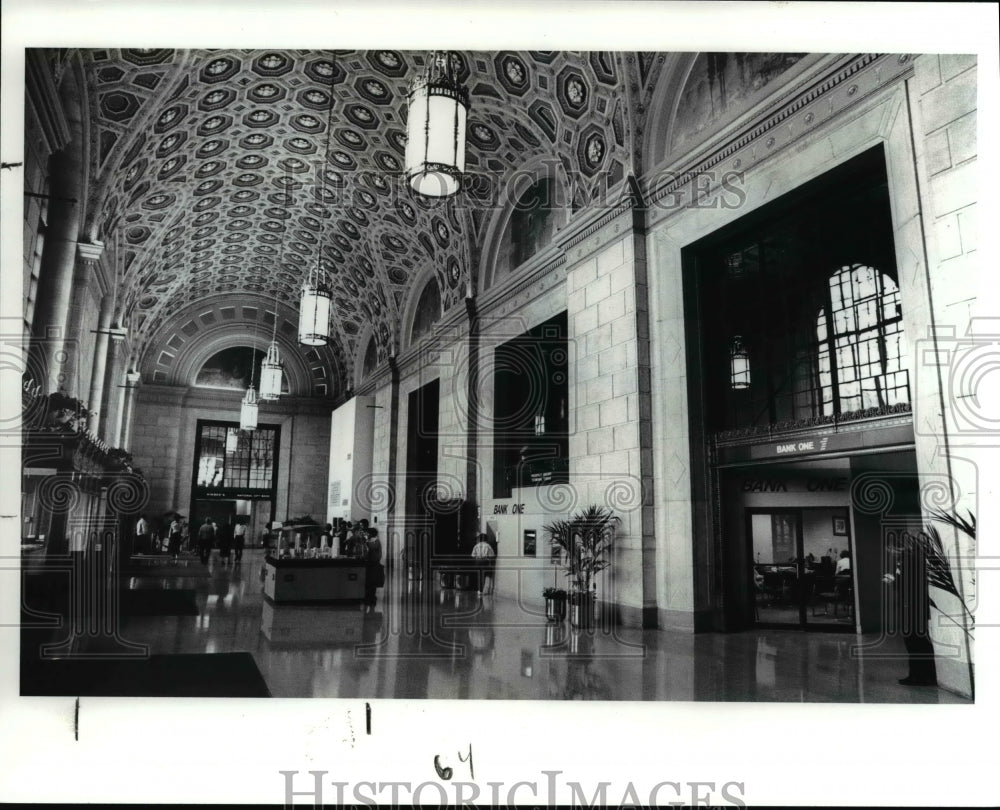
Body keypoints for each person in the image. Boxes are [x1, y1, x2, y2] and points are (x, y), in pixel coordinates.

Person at [883, 532, 937, 687]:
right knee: (919, 641)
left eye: (892, 548)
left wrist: (892, 580)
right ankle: (922, 676)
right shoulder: (917, 558)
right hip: (918, 606)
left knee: (914, 642)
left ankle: (919, 676)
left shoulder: (907, 559)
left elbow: (906, 585)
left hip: (911, 606)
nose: (891, 551)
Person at [363, 527, 384, 607]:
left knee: (372, 582)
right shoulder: (372, 540)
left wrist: (365, 542)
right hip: (371, 563)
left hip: (374, 564)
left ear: (371, 534)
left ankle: (371, 598)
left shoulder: (376, 541)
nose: (366, 534)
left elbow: (372, 547)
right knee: (369, 582)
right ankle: (369, 597)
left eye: (367, 533)